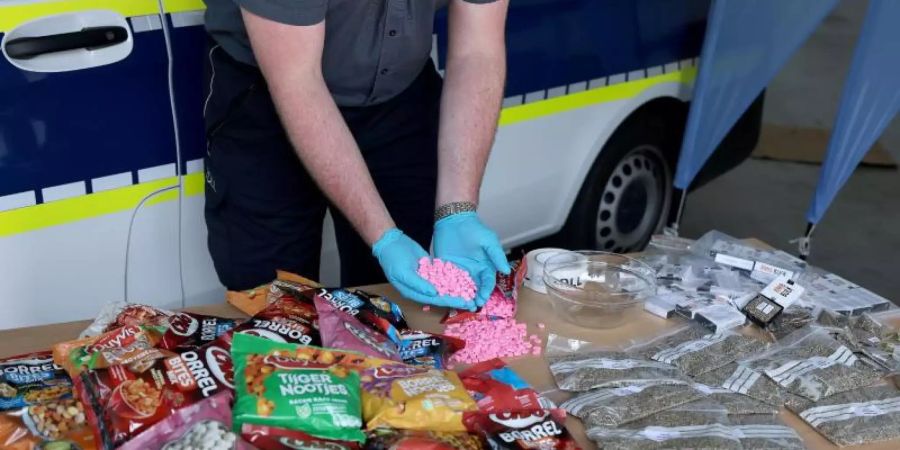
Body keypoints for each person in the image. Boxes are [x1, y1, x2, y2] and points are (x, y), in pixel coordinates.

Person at [202, 0, 511, 310]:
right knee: (274, 306)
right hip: (269, 96)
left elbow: (478, 52)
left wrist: (456, 211)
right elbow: (298, 81)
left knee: (400, 300)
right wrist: (385, 238)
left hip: (399, 95)